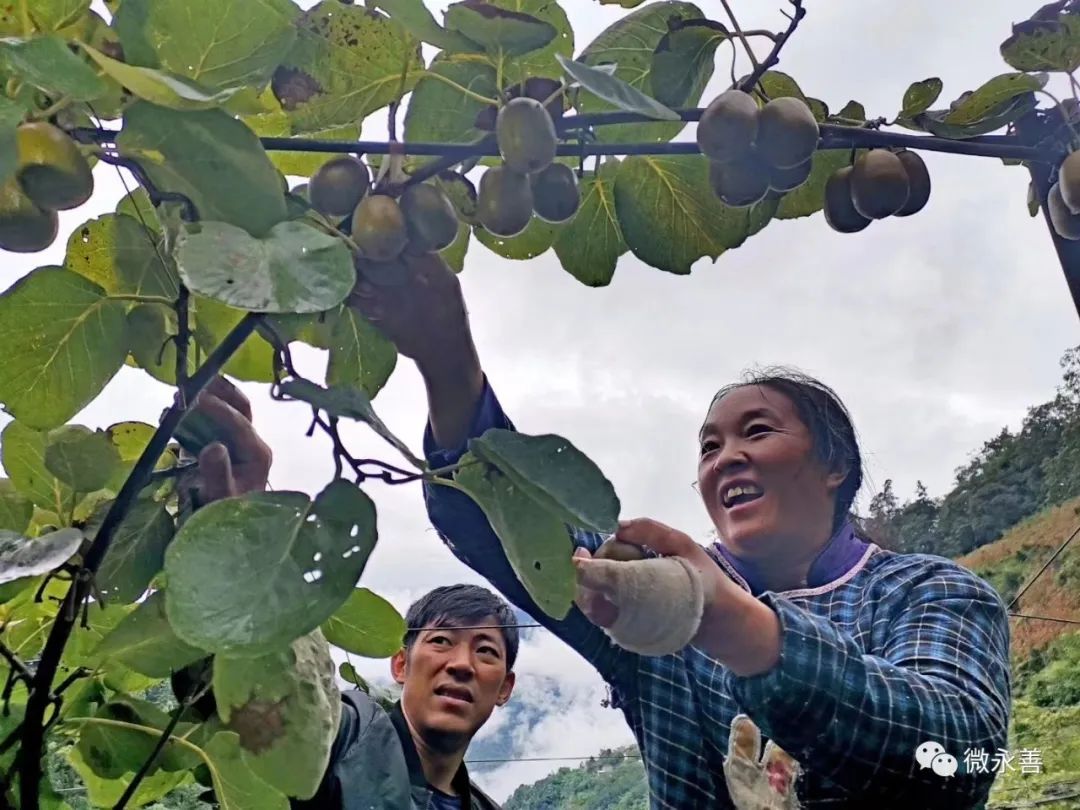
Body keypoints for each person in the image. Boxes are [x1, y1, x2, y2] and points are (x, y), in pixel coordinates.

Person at [348, 251, 1012, 810]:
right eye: (708, 447)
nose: (726, 457)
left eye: (757, 431)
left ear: (834, 463)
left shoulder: (930, 594)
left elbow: (954, 753)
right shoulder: (658, 608)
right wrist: (448, 363)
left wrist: (735, 627)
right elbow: (511, 532)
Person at [181, 380, 517, 810]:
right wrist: (237, 528)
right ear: (400, 663)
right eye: (440, 641)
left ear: (505, 687)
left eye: (486, 652)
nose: (460, 665)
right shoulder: (347, 739)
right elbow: (253, 697)